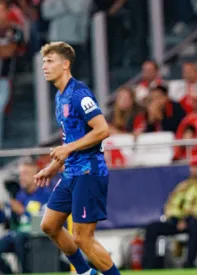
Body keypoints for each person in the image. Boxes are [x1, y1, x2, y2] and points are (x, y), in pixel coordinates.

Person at [33, 42, 120, 275]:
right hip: (70, 172)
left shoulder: (79, 93)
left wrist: (68, 149)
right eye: (43, 62)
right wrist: (53, 167)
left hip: (89, 172)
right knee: (49, 225)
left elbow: (102, 129)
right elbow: (70, 139)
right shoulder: (59, 97)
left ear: (65, 64)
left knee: (83, 238)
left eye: (50, 61)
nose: (44, 66)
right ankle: (85, 273)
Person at [142, 155, 197, 269]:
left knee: (194, 225)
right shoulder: (183, 185)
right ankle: (150, 266)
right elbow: (171, 205)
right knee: (152, 228)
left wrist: (192, 215)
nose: (194, 169)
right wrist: (178, 218)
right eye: (192, 166)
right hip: (180, 221)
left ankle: (189, 263)